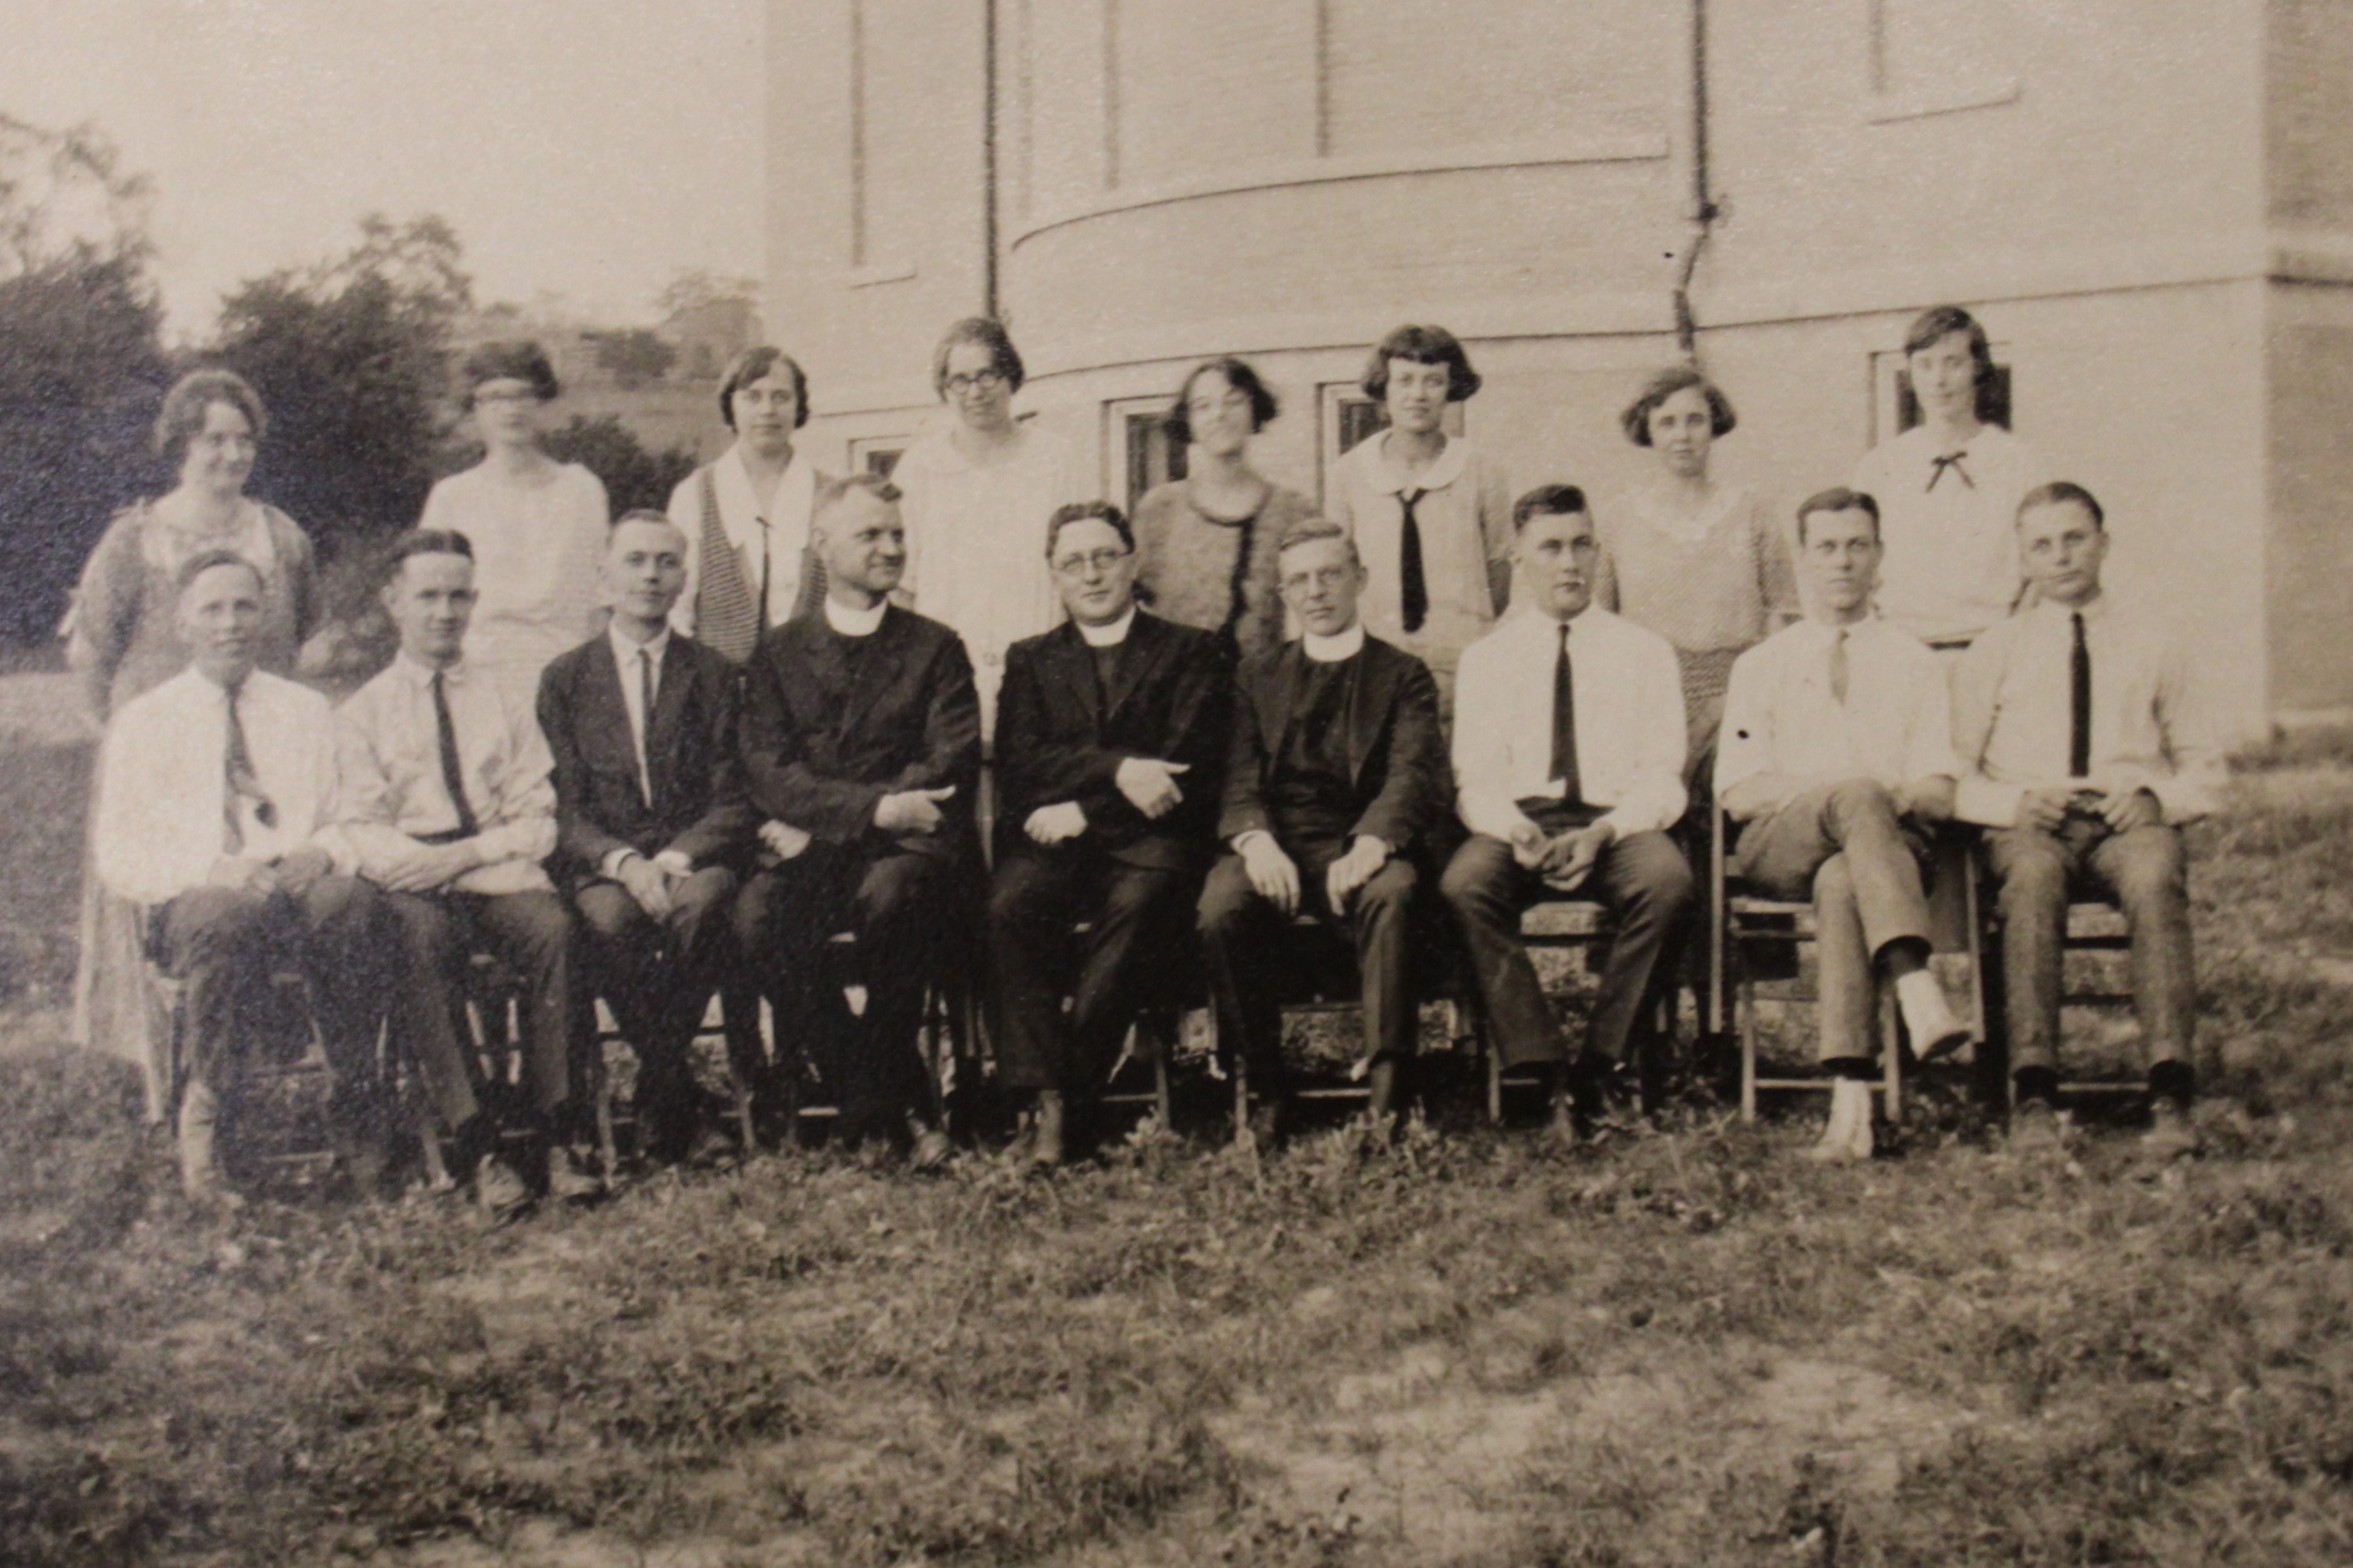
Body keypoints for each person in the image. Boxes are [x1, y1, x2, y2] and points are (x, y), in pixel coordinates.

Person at [92, 552, 389, 1201]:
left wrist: (325, 850)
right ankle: (211, 1119)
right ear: (182, 623)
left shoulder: (306, 710)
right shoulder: (145, 721)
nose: (231, 623)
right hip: (199, 907)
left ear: (266, 616)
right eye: (213, 608)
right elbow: (117, 851)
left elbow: (349, 814)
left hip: (295, 891)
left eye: (245, 606)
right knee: (226, 913)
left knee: (350, 900)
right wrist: (212, 866)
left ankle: (353, 1098)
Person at [66, 369, 321, 1116]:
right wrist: (126, 740)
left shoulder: (279, 536)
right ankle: (167, 1087)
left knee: (260, 896)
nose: (230, 455)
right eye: (214, 439)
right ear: (182, 442)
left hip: (257, 755)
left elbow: (297, 633)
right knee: (176, 905)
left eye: (243, 441)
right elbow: (93, 654)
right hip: (162, 761)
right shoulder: (135, 537)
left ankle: (251, 1059)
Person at [1952, 482, 2220, 1158]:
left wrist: (2155, 799)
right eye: (2040, 544)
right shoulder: (1994, 649)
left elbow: (2206, 769)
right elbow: (1948, 774)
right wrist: (2010, 805)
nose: (2060, 555)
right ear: (2021, 558)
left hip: (2123, 816)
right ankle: (2034, 1089)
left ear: (2102, 543)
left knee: (2156, 874)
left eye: (2073, 538)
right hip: (2029, 821)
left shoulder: (2153, 642)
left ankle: (2169, 1089)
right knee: (2032, 883)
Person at [1715, 489, 1972, 1162]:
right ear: (1801, 559)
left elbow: (1938, 791)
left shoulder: (1914, 661)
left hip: (1877, 854)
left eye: (1857, 545)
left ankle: (1849, 1102)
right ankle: (1915, 983)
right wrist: (1845, 793)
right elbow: (1740, 791)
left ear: (1879, 556)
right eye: (1826, 547)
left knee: (1842, 882)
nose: (1842, 562)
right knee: (1853, 796)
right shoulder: (1761, 662)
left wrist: (1879, 800)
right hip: (1779, 843)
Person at [333, 529, 587, 1211]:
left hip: (492, 866)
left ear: (473, 601)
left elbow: (538, 817)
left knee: (552, 930)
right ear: (393, 601)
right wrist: (429, 866)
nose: (444, 612)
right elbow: (359, 827)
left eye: (458, 596)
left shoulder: (505, 697)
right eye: (427, 596)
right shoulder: (363, 713)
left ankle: (556, 1132)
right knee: (416, 942)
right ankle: (475, 1143)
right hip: (415, 879)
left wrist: (468, 855)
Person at [732, 474, 979, 1167]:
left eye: (896, 533)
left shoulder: (936, 646)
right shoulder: (778, 652)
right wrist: (868, 808)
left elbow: (948, 757)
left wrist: (847, 816)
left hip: (907, 848)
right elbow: (767, 766)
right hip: (817, 846)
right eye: (869, 534)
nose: (889, 547)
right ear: (821, 546)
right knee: (756, 917)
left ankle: (865, 1102)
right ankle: (888, 1095)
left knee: (893, 897)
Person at [1440, 486, 1693, 1137]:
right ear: (1517, 558)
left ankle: (1603, 1065)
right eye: (1549, 547)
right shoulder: (1487, 658)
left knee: (1666, 883)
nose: (1568, 562)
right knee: (1465, 883)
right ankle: (1538, 1067)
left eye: (1581, 544)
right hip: (1520, 825)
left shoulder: (1643, 651)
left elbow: (1662, 774)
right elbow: (1475, 777)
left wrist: (1605, 830)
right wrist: (1515, 828)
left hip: (1616, 821)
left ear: (1598, 551)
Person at [988, 501, 1229, 1167]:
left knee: (1138, 905)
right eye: (1072, 562)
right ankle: (1053, 1098)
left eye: (1103, 557)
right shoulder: (1031, 659)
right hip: (1055, 843)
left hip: (1150, 844)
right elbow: (1022, 761)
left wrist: (1089, 808)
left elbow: (1186, 766)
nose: (1090, 574)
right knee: (1010, 904)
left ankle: (1060, 1098)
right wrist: (1119, 768)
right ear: (1053, 575)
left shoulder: (1191, 649)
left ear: (1133, 562)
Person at [1196, 522, 1449, 1138]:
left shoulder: (1402, 673)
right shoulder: (1255, 675)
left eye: (1330, 574)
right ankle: (1265, 1083)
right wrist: (1256, 842)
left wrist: (1369, 843)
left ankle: (1388, 1089)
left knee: (1391, 893)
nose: (1316, 591)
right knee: (1219, 906)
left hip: (1360, 838)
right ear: (1284, 594)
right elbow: (1236, 773)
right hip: (1277, 840)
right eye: (1300, 580)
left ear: (1359, 580)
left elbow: (1413, 772)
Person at [537, 512, 754, 1164]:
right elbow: (561, 805)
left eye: (665, 562)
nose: (650, 576)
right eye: (635, 560)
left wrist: (674, 858)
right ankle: (678, 1094)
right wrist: (625, 862)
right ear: (604, 574)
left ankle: (658, 1092)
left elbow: (734, 795)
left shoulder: (714, 673)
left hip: (696, 857)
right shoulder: (566, 678)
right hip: (605, 864)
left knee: (701, 906)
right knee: (607, 920)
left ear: (683, 578)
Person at [895, 316, 1091, 730]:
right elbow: (902, 590)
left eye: (988, 375)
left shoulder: (1059, 461)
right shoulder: (919, 469)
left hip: (1042, 676)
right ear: (944, 389)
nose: (976, 392)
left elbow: (1085, 573)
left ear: (1011, 376)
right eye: (959, 381)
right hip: (944, 685)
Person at [1598, 367, 1797, 769]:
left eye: (1695, 421)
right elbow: (1600, 624)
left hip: (1736, 695)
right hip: (1648, 694)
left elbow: (1784, 612)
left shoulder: (1752, 512)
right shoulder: (1618, 519)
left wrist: (1757, 694)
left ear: (1714, 426)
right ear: (1648, 431)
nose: (1682, 436)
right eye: (1667, 423)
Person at [1325, 324, 1512, 707]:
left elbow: (1499, 574)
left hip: (1463, 664)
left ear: (1451, 389)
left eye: (1433, 382)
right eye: (1405, 380)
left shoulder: (1481, 472)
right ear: (1385, 388)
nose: (1417, 395)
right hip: (1375, 667)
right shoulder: (1349, 473)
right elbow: (1338, 572)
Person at [418, 341, 612, 705]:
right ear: (474, 409)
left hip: (567, 676)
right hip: (478, 678)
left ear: (542, 403)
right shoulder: (452, 496)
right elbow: (429, 601)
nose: (512, 410)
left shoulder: (582, 490)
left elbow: (602, 599)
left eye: (524, 395)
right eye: (495, 398)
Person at [1851, 305, 2054, 647]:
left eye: (1953, 363)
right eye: (1925, 365)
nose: (1939, 380)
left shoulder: (2019, 461)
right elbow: (1857, 562)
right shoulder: (1880, 465)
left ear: (1977, 367)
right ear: (1912, 374)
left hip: (1991, 647)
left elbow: (2042, 568)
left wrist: (2007, 644)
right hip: (1902, 650)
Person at [1132, 357, 1317, 664]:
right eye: (1203, 406)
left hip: (1262, 696)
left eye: (1234, 402)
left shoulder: (1294, 512)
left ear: (1255, 410)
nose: (1219, 415)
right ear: (1188, 420)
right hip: (1173, 697)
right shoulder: (1159, 510)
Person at [666, 346, 825, 661]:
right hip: (720, 695)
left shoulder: (831, 494)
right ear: (731, 406)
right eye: (752, 397)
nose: (768, 410)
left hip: (813, 693)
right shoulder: (695, 495)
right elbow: (677, 611)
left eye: (781, 397)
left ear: (799, 407)